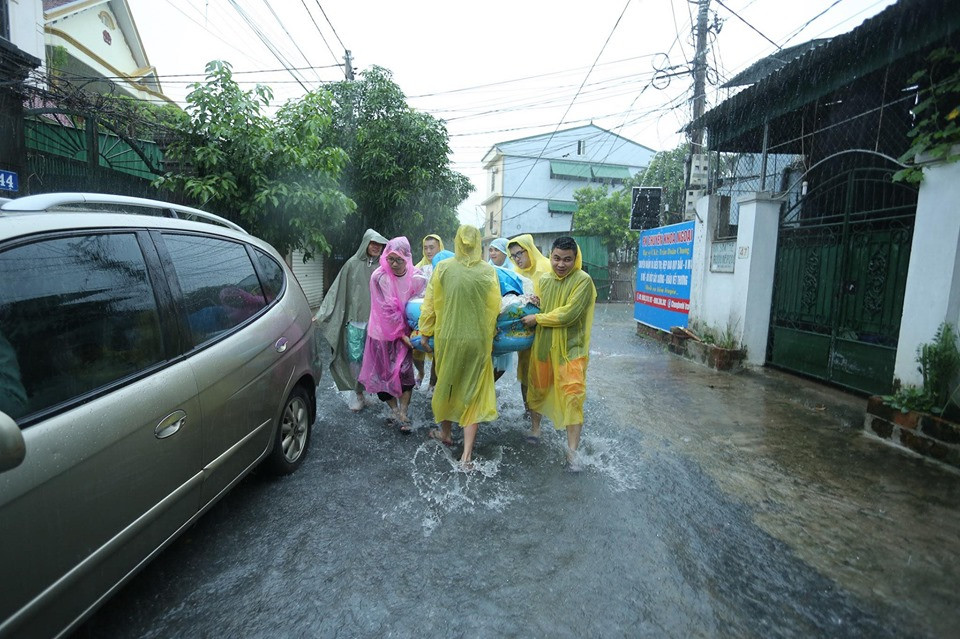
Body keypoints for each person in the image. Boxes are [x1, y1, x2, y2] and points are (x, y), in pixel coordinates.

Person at [418, 225, 501, 467]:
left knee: (448, 384)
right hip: (477, 340)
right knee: (473, 391)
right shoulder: (487, 272)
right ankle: (466, 456)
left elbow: (430, 303)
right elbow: (493, 307)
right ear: (478, 243)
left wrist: (424, 332)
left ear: (455, 241)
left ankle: (445, 433)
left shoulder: (443, 268)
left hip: (449, 338)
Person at [520, 236, 597, 470]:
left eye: (567, 260)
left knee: (573, 396)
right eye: (556, 258)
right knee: (537, 388)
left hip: (571, 350)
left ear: (576, 259)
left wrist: (538, 317)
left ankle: (572, 452)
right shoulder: (544, 280)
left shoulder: (583, 281)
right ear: (550, 256)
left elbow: (569, 314)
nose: (561, 264)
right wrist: (535, 303)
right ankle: (535, 429)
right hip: (544, 345)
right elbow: (544, 304)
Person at [315, 229, 389, 411]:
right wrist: (322, 313)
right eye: (373, 243)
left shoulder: (383, 266)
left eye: (379, 244)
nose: (376, 247)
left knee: (371, 358)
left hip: (376, 322)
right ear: (366, 243)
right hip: (355, 320)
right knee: (354, 358)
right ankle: (356, 393)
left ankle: (365, 391)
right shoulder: (351, 264)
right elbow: (336, 289)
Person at [358, 237, 425, 432]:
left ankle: (403, 413)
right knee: (382, 377)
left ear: (408, 258)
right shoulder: (379, 277)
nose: (394, 264)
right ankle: (394, 411)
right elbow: (386, 309)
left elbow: (424, 303)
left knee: (405, 374)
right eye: (390, 259)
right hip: (381, 334)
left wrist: (419, 330)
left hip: (405, 334)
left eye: (399, 260)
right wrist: (402, 334)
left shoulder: (417, 277)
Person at [507, 234, 552, 413]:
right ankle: (529, 411)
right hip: (525, 330)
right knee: (525, 371)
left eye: (519, 254)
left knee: (541, 372)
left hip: (544, 329)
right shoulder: (516, 273)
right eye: (513, 256)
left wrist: (539, 312)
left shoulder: (546, 269)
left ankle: (541, 413)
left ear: (530, 250)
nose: (517, 259)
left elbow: (554, 301)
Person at [412, 234, 445, 387]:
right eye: (425, 248)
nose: (428, 251)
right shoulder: (417, 268)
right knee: (415, 348)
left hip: (440, 314)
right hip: (420, 312)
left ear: (440, 247)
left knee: (437, 349)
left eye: (432, 247)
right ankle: (420, 372)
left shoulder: (446, 266)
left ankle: (433, 383)